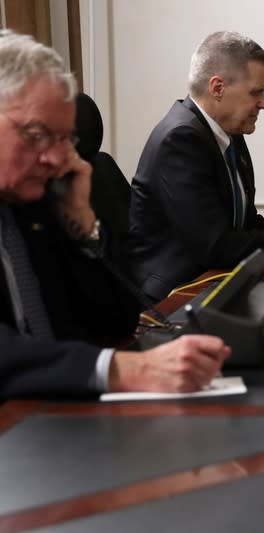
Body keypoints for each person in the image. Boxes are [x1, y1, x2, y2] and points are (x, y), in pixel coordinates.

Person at [0, 30, 230, 398]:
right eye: (37, 134)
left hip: (58, 422)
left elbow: (118, 319)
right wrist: (121, 369)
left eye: (65, 139)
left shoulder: (36, 202)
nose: (57, 158)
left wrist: (84, 225)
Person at [128, 31, 264, 302]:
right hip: (176, 298)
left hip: (220, 284)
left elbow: (242, 224)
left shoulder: (228, 132)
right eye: (256, 92)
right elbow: (215, 245)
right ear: (218, 88)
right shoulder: (180, 139)